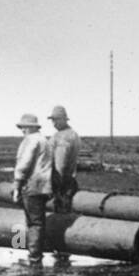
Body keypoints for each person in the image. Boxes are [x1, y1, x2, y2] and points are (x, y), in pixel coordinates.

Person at [12, 112, 53, 265]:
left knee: (34, 223)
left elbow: (24, 164)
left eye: (23, 127)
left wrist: (17, 186)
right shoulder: (45, 141)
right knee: (38, 221)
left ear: (29, 128)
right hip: (44, 187)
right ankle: (36, 254)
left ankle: (34, 257)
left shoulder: (30, 141)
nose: (22, 131)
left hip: (32, 186)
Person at [47, 105, 81, 264]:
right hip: (70, 181)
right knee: (66, 215)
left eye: (55, 120)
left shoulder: (63, 138)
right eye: (52, 120)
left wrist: (56, 185)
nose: (53, 123)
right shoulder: (73, 134)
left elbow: (60, 164)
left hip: (62, 182)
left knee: (61, 217)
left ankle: (61, 252)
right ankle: (63, 252)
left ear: (62, 119)